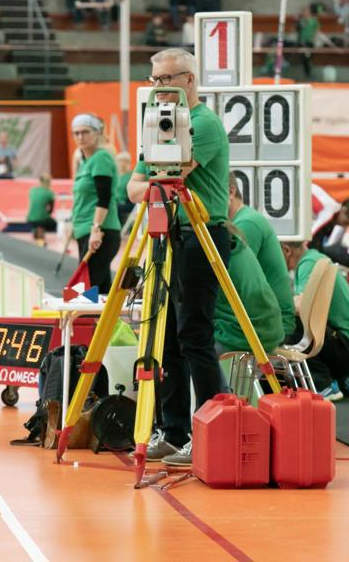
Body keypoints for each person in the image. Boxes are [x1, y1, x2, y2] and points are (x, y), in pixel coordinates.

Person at [127, 48, 231, 467]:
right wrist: (153, 182)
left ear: (189, 80)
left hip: (201, 235)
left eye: (166, 80)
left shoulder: (203, 124)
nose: (159, 89)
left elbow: (171, 175)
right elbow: (135, 188)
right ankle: (174, 432)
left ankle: (209, 432)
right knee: (163, 336)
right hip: (170, 235)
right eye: (154, 81)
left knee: (194, 336)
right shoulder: (156, 124)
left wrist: (153, 181)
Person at [282, 241, 349, 401]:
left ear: (286, 250)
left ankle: (322, 385)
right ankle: (341, 376)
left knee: (292, 323)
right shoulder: (314, 258)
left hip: (348, 348)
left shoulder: (309, 263)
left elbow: (302, 306)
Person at [227, 174, 296, 339]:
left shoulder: (246, 225)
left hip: (272, 325)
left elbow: (234, 284)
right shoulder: (247, 219)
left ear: (231, 192)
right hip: (271, 320)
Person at [71, 113, 121, 295]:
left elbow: (104, 197)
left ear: (97, 133)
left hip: (100, 232)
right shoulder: (85, 162)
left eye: (85, 132)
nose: (80, 137)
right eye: (76, 133)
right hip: (85, 230)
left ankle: (92, 323)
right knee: (98, 288)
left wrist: (96, 229)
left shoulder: (101, 158)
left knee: (86, 290)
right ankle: (107, 324)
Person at [213, 231, 284, 359]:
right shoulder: (237, 238)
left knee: (183, 347)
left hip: (243, 338)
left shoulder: (247, 225)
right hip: (270, 332)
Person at [27, 173, 56, 246]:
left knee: (39, 223)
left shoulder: (32, 190)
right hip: (41, 219)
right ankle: (40, 238)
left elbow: (33, 204)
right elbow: (51, 210)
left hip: (30, 217)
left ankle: (36, 232)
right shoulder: (49, 193)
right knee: (52, 223)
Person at [297, 5, 318, 77]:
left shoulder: (314, 20)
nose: (306, 12)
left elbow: (316, 31)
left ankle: (308, 73)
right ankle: (307, 74)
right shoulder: (301, 20)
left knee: (307, 57)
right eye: (304, 11)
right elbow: (298, 30)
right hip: (302, 42)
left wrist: (315, 41)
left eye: (307, 11)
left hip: (310, 42)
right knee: (304, 57)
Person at [114, 151, 134, 225]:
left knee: (115, 207)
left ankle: (119, 228)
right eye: (119, 161)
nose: (121, 163)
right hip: (116, 202)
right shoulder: (116, 176)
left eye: (123, 161)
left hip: (128, 202)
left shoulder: (130, 175)